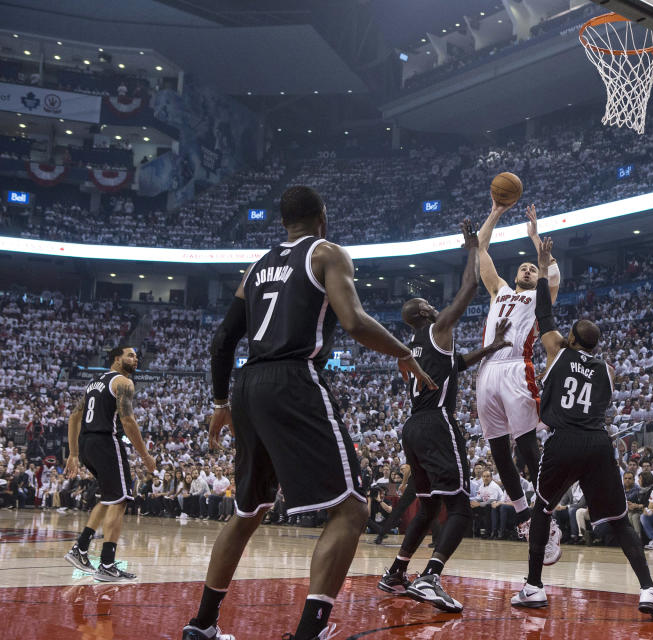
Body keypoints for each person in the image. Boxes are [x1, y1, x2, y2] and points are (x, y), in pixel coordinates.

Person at [182, 186, 435, 640]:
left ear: (283, 223)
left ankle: (201, 623)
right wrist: (402, 351)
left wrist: (220, 402)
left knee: (247, 511)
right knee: (353, 509)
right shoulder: (327, 253)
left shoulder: (257, 267)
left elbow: (223, 340)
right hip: (292, 379)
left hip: (247, 385)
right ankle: (310, 631)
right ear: (323, 216)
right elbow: (354, 321)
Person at [511, 237, 653, 620]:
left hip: (564, 440)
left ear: (571, 339)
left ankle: (533, 586)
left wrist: (545, 265)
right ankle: (650, 590)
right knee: (618, 521)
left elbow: (543, 315)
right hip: (599, 443)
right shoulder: (608, 371)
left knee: (543, 511)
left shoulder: (557, 349)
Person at [377, 220, 513, 613]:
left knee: (430, 503)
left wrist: (495, 345)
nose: (436, 306)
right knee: (459, 510)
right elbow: (469, 290)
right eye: (429, 304)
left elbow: (459, 364)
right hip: (437, 422)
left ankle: (396, 572)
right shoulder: (437, 327)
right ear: (423, 312)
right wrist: (473, 249)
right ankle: (431, 576)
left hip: (414, 428)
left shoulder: (415, 347)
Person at [475, 199, 562, 561]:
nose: (527, 269)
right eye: (523, 267)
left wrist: (535, 238)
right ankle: (524, 516)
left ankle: (547, 517)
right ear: (514, 277)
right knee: (498, 451)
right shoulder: (499, 290)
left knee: (527, 448)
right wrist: (495, 211)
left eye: (531, 267)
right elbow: (480, 247)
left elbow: (552, 273)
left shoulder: (541, 294)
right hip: (486, 372)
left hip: (515, 368)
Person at [63, 346, 156, 581]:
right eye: (131, 355)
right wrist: (145, 456)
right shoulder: (123, 383)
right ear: (117, 359)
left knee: (109, 498)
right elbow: (128, 421)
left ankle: (80, 548)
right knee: (121, 500)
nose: (136, 359)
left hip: (87, 444)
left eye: (137, 356)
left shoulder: (94, 383)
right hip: (106, 442)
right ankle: (106, 564)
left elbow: (74, 417)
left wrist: (74, 453)